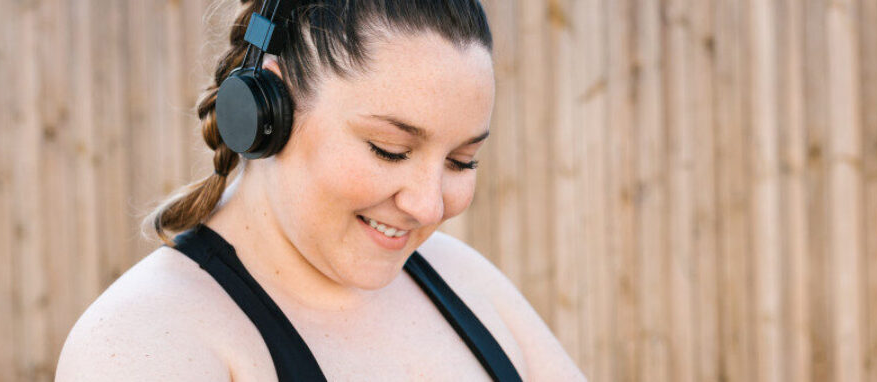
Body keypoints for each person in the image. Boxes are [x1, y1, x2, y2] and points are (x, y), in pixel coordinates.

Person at [56, 0, 584, 380]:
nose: (428, 205)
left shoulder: (462, 277)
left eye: (461, 161)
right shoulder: (141, 342)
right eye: (388, 149)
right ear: (269, 108)